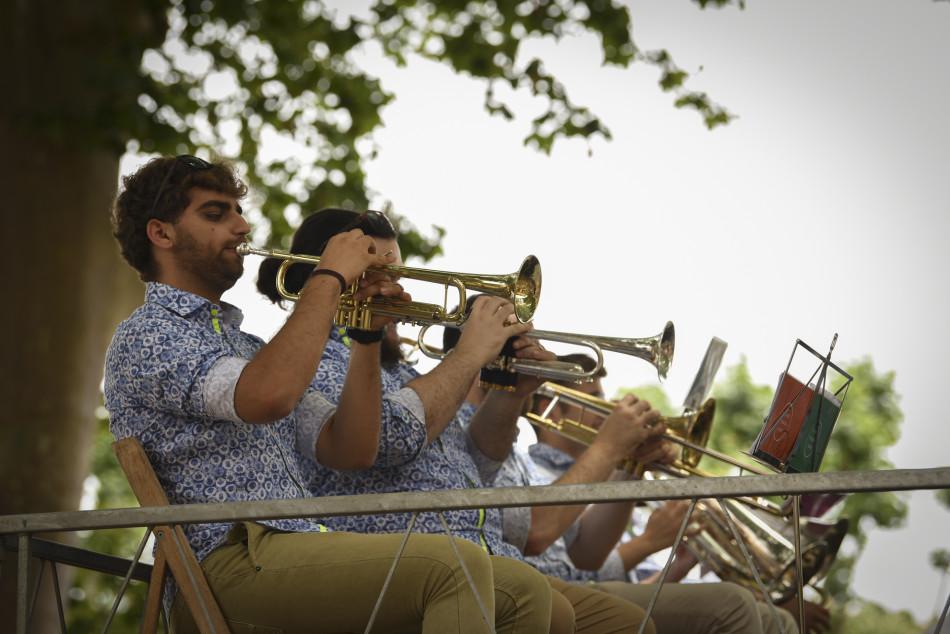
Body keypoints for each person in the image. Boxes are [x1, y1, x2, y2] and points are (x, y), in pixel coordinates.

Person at [104, 154, 554, 634]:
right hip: (225, 559)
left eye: (239, 211)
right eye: (217, 214)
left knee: (524, 592)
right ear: (162, 234)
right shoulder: (148, 333)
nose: (241, 226)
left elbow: (351, 448)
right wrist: (330, 277)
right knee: (450, 567)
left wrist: (365, 338)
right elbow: (268, 396)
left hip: (290, 544)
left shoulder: (246, 346)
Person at [256, 208, 658, 634]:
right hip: (406, 559)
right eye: (381, 273)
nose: (397, 288)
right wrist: (468, 355)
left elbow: (477, 466)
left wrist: (510, 393)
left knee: (629, 625)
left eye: (399, 274)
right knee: (548, 608)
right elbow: (385, 442)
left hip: (483, 552)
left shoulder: (402, 370)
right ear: (335, 272)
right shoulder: (311, 358)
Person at [496, 351, 823, 634]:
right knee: (733, 604)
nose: (609, 410)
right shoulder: (532, 470)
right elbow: (581, 564)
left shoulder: (598, 474)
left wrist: (632, 464)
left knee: (774, 619)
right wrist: (649, 537)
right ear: (552, 410)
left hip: (591, 590)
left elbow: (587, 554)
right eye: (594, 399)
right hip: (563, 594)